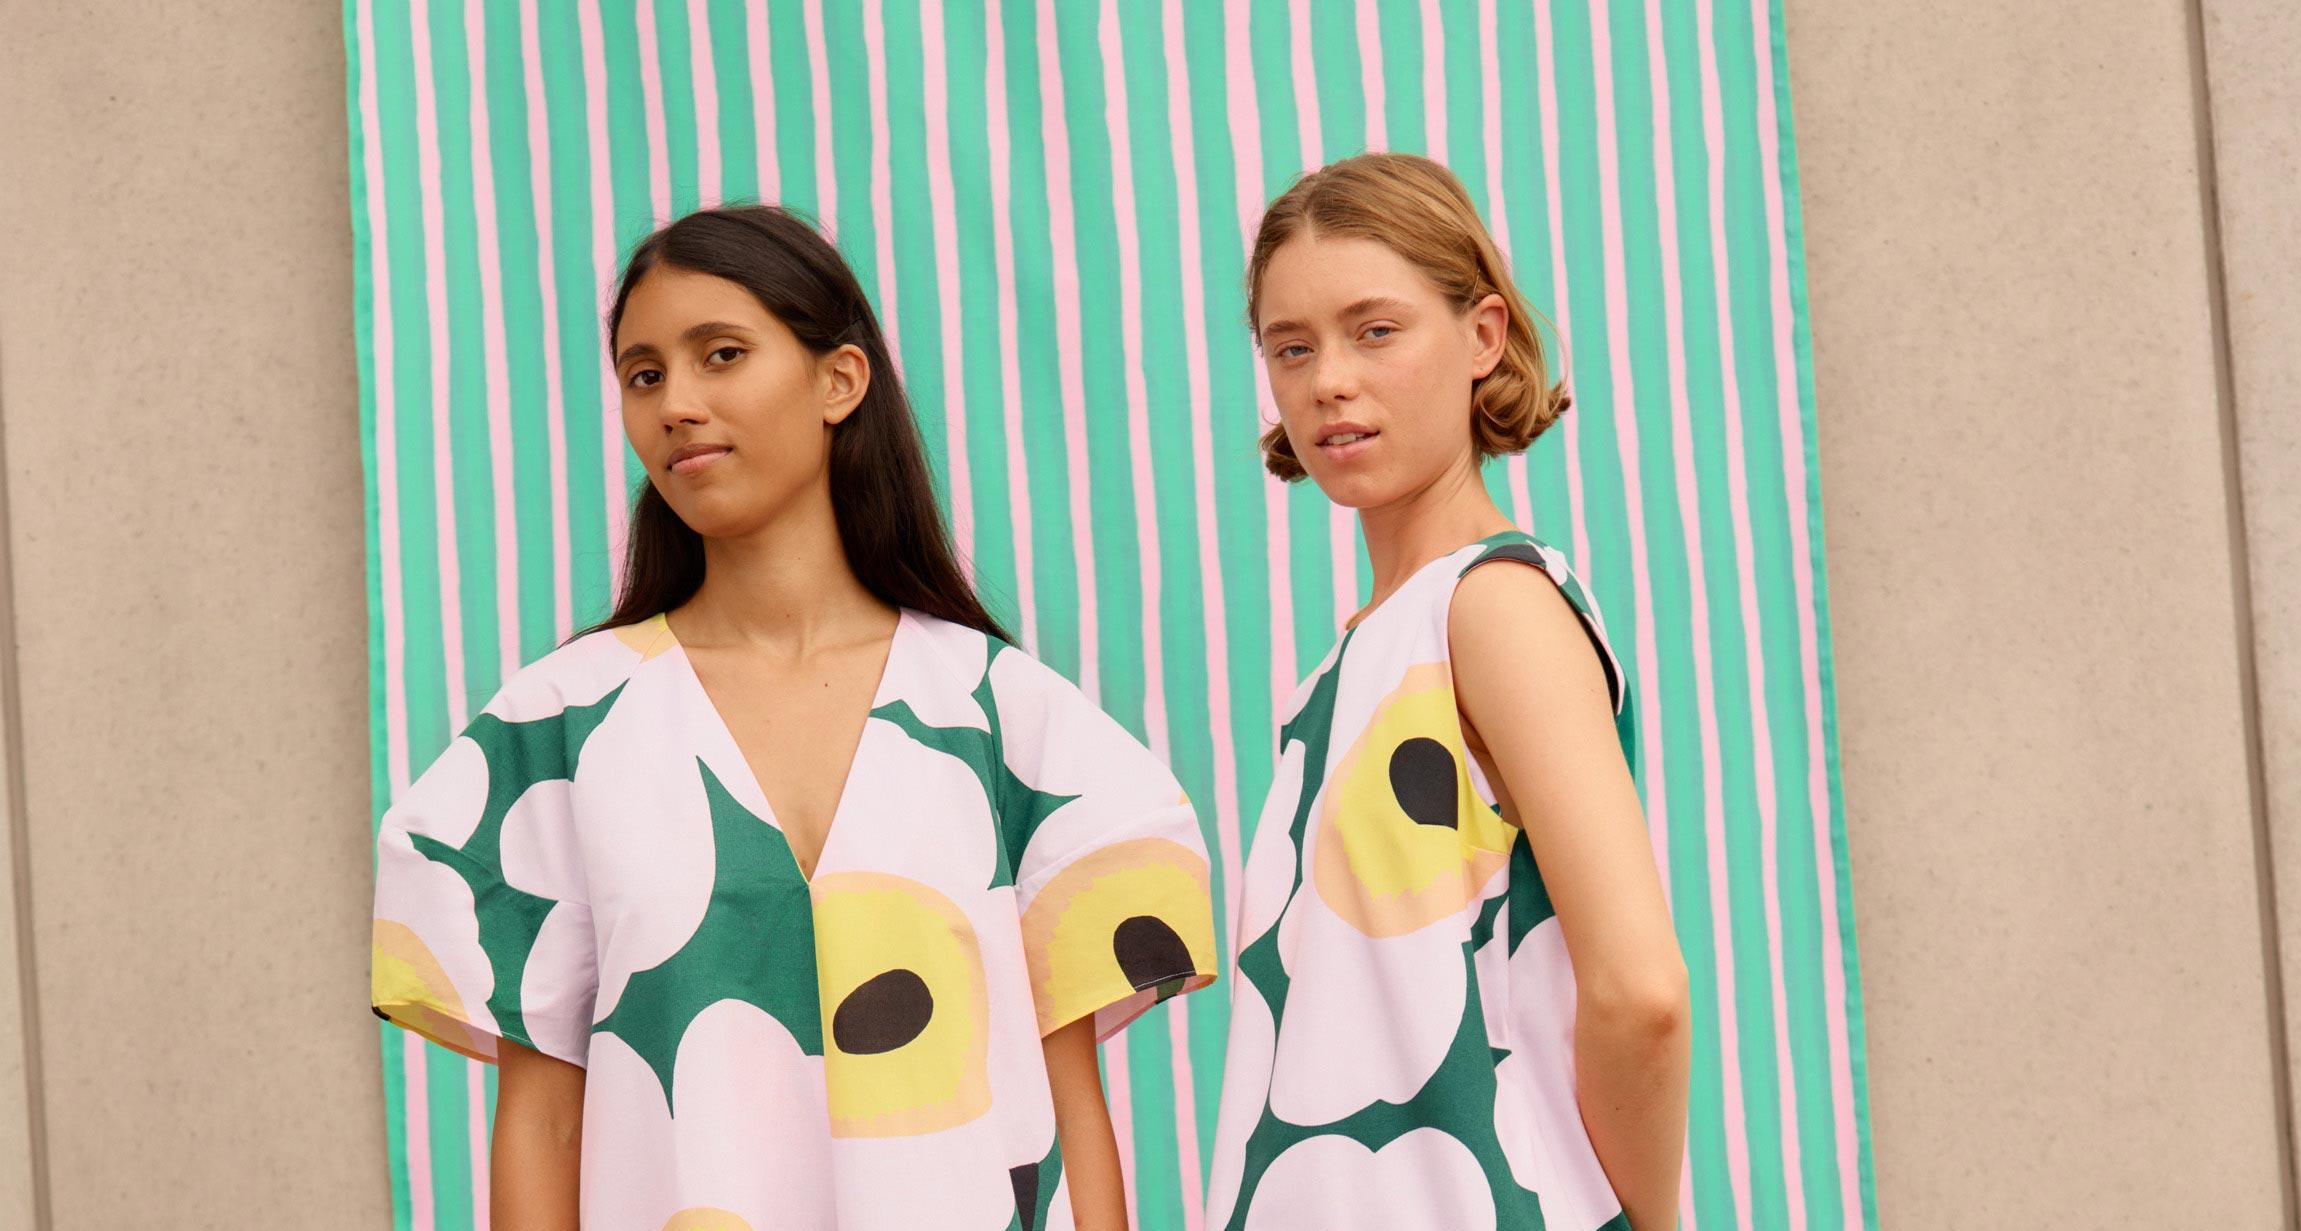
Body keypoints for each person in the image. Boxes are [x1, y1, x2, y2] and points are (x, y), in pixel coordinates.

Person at [369, 205, 1217, 1231]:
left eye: (720, 354)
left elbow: (1067, 1108)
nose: (677, 404)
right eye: (644, 375)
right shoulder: (558, 729)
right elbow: (543, 1122)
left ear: (839, 380)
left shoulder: (1007, 720)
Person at [1205, 153, 1690, 1231]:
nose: (1329, 380)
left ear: (1482, 337)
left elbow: (1641, 991)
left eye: (1375, 330)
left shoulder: (1492, 607)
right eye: (1292, 346)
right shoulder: (1358, 659)